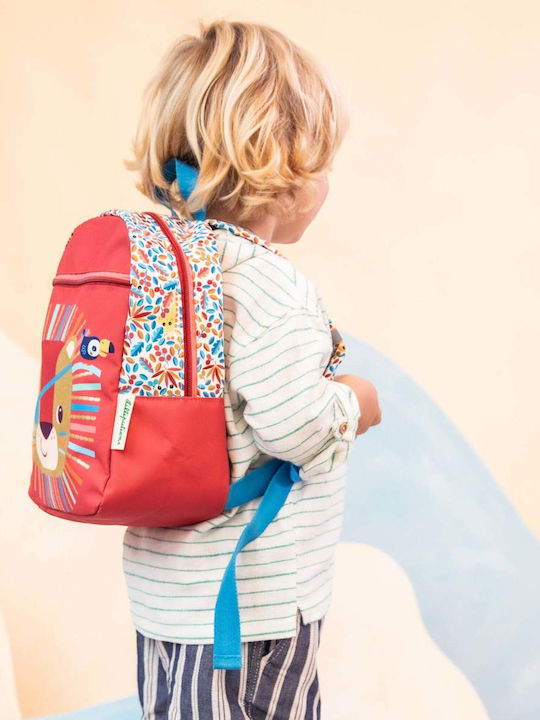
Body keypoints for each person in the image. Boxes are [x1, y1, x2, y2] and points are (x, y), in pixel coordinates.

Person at [124, 18, 381, 719]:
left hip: (166, 596)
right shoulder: (268, 284)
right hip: (250, 605)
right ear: (285, 173)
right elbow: (294, 428)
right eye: (322, 160)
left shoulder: (167, 266)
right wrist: (356, 402)